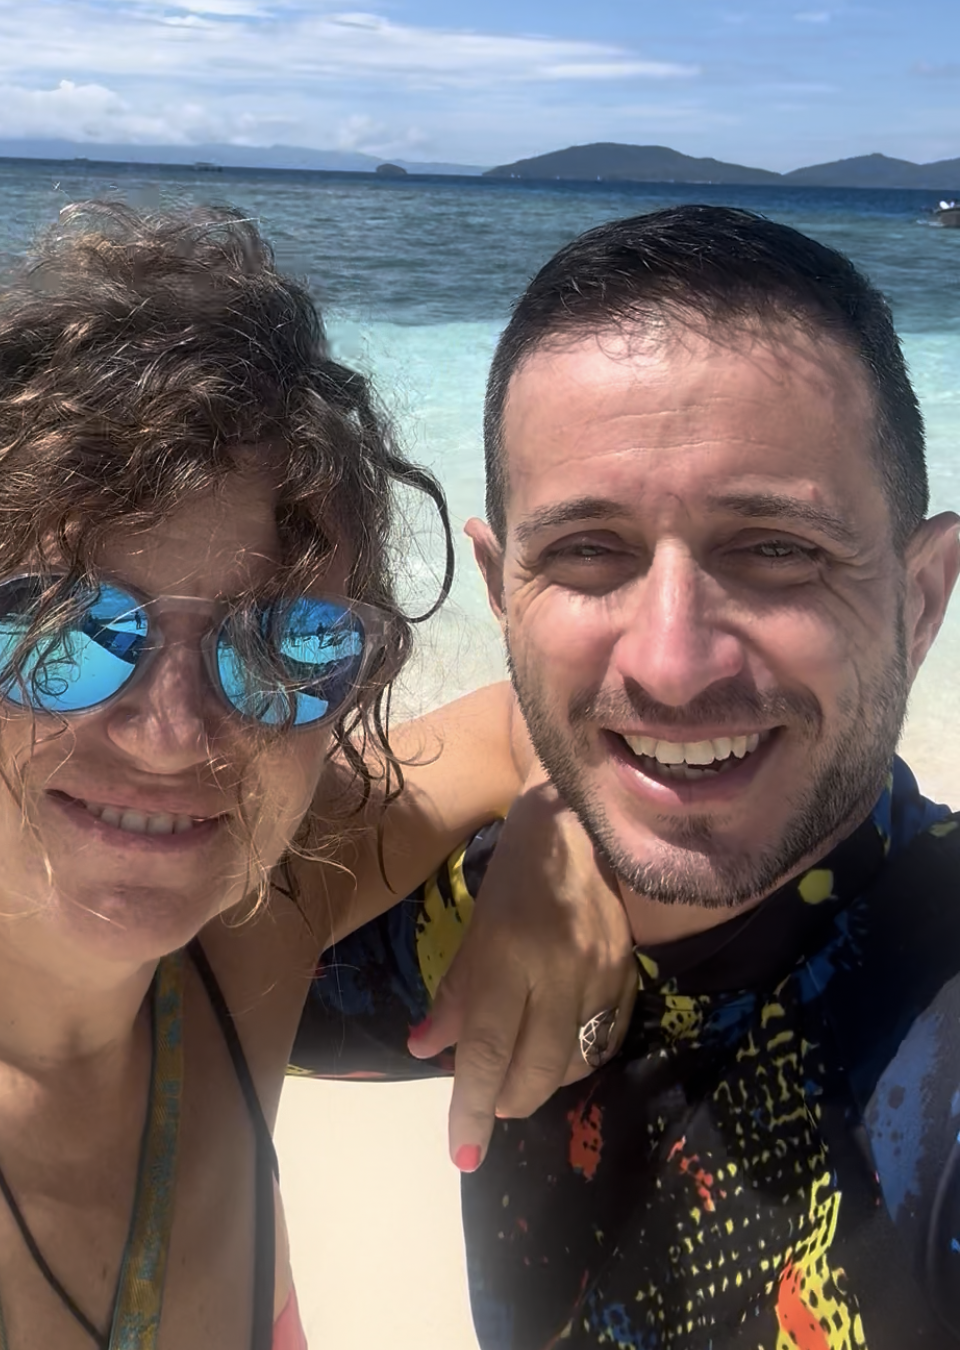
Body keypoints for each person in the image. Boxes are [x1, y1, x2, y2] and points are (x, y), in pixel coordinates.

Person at [0, 203, 633, 1350]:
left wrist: (559, 843)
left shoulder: (253, 924)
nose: (172, 736)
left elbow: (526, 724)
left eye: (278, 648)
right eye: (62, 630)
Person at [296, 204, 960, 1347]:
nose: (671, 662)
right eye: (588, 552)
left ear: (922, 599)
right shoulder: (477, 916)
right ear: (501, 594)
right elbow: (140, 930)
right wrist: (533, 790)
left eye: (776, 549)